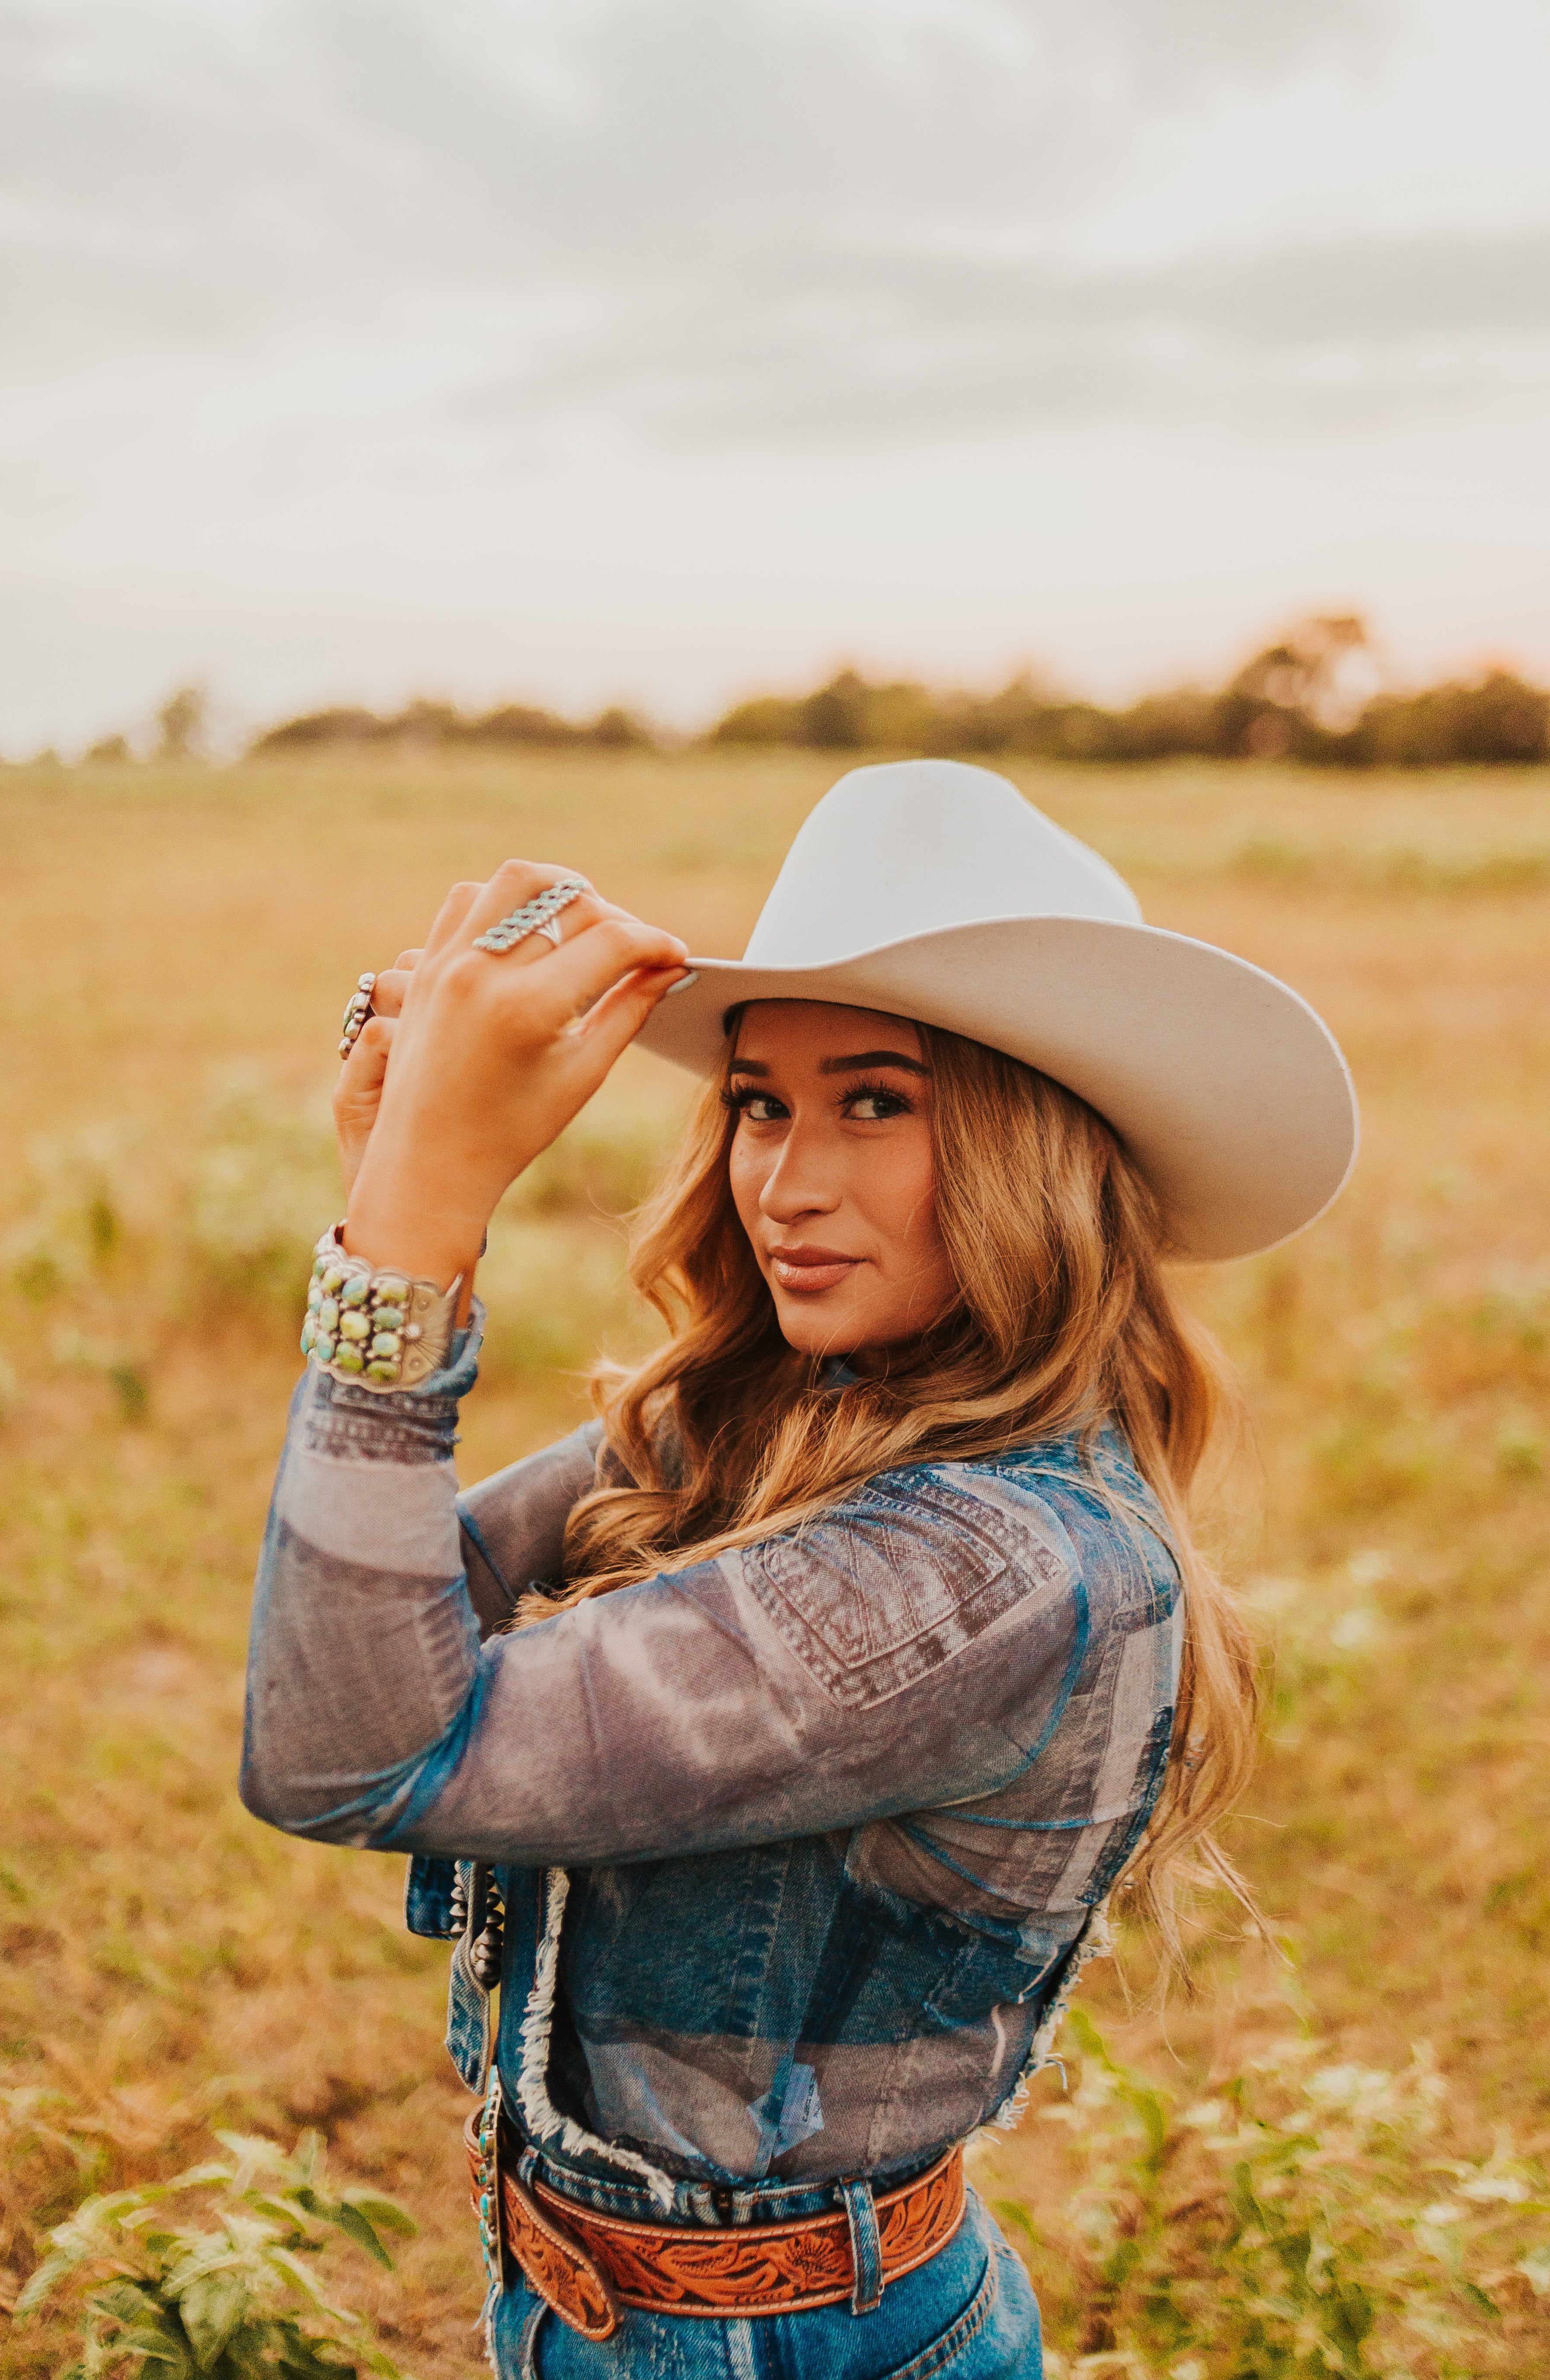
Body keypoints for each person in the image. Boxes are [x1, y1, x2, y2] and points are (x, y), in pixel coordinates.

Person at [242, 761, 1356, 2380]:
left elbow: (350, 1752)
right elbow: (370, 1628)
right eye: (764, 1101)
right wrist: (403, 1198)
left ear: (1033, 1151)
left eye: (878, 1101)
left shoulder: (985, 1570)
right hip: (626, 2312)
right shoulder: (781, 1410)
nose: (786, 1179)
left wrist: (411, 1234)